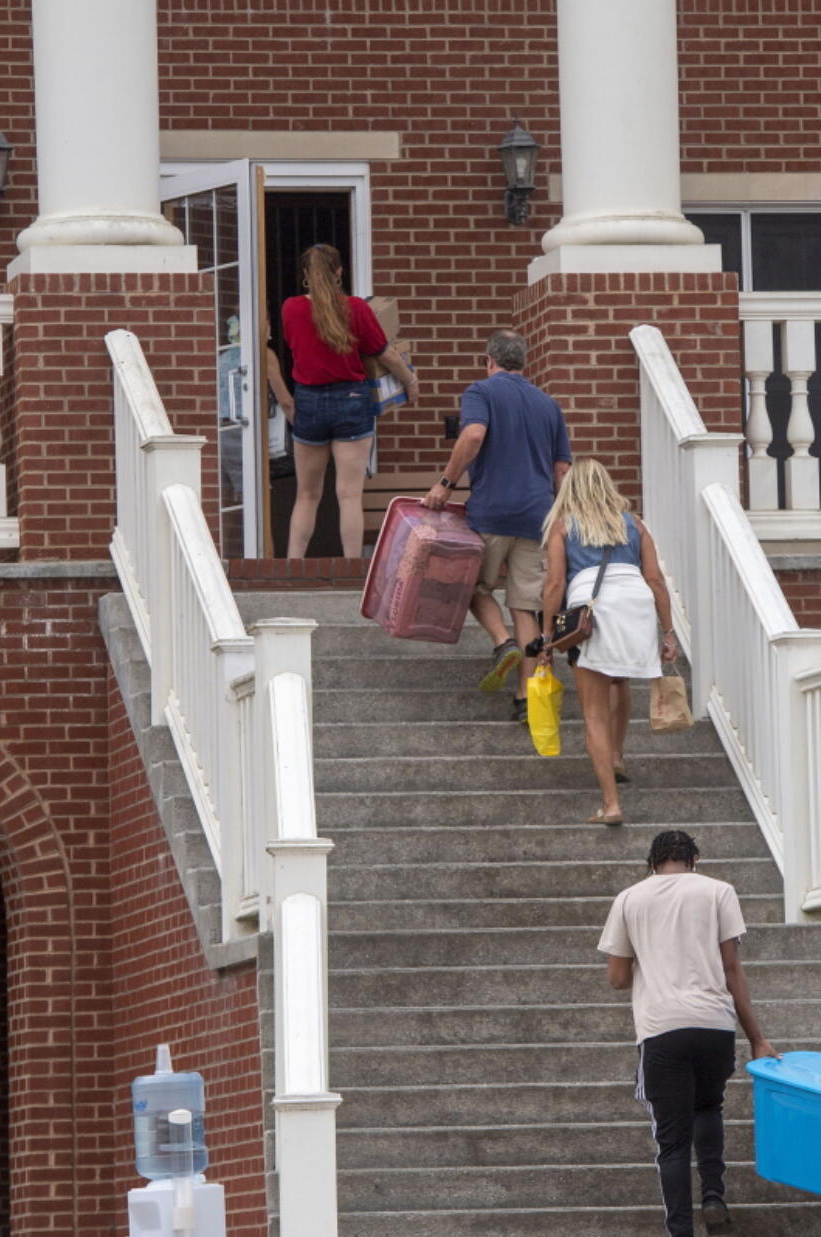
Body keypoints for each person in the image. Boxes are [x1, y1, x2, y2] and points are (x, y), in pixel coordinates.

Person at [599, 830, 778, 1237]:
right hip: (714, 1024)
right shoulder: (718, 891)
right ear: (694, 860)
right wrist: (756, 1037)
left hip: (661, 1028)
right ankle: (714, 1193)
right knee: (708, 1107)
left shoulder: (629, 899)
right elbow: (732, 968)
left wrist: (651, 957)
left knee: (672, 1145)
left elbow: (618, 978)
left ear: (652, 863)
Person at [422, 330, 571, 718]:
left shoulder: (481, 392)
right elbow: (561, 470)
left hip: (491, 512)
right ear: (525, 362)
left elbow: (473, 434)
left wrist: (444, 484)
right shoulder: (549, 405)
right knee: (526, 606)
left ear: (488, 360)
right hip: (538, 517)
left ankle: (502, 643)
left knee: (469, 586)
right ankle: (526, 699)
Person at [539, 458, 676, 825]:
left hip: (593, 610)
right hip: (636, 606)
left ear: (572, 489)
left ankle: (611, 805)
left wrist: (547, 638)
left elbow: (553, 585)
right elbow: (657, 580)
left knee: (593, 714)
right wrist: (669, 631)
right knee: (621, 679)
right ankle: (617, 756)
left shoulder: (564, 527)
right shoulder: (634, 524)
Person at [282, 244, 417, 559]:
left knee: (306, 494)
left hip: (309, 401)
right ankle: (352, 568)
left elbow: (293, 345)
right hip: (352, 398)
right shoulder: (356, 308)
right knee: (349, 495)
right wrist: (410, 381)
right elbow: (384, 353)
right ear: (339, 272)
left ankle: (292, 567)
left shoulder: (291, 308)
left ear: (306, 275)